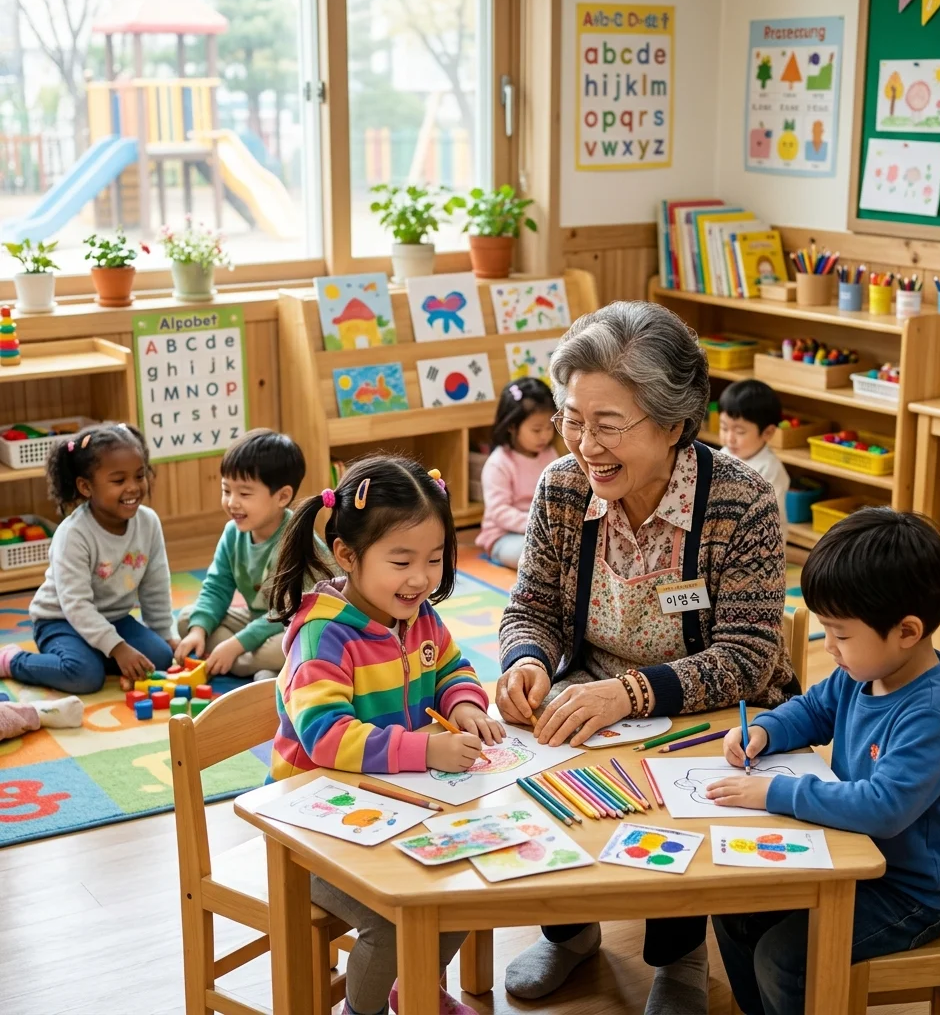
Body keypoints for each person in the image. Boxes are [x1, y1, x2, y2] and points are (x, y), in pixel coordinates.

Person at [495, 300, 798, 1014]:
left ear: (673, 424)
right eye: (573, 419)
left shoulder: (741, 501)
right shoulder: (562, 488)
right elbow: (530, 606)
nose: (585, 445)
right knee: (538, 758)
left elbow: (749, 656)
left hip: (711, 705)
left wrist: (629, 694)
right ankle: (570, 931)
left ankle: (679, 953)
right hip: (592, 686)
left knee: (679, 788)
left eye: (608, 425)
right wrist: (527, 659)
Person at [709, 508, 940, 1015]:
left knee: (784, 960)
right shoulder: (864, 673)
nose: (828, 647)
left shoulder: (932, 713)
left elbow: (881, 807)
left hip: (908, 894)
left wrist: (774, 792)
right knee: (733, 907)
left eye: (841, 634)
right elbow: (813, 710)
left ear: (907, 631)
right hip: (849, 861)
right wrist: (765, 730)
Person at [267, 455, 505, 1015]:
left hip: (397, 806)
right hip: (313, 830)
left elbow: (452, 667)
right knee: (391, 923)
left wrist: (464, 704)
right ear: (348, 555)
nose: (420, 578)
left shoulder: (418, 616)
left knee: (463, 885)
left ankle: (415, 990)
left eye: (434, 559)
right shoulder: (324, 636)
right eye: (401, 561)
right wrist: (426, 748)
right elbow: (327, 738)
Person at [0, 423, 175, 694]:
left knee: (161, 657)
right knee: (84, 677)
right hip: (60, 621)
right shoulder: (73, 535)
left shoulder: (148, 523)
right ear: (85, 487)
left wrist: (166, 636)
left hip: (114, 620)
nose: (133, 487)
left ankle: (98, 653)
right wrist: (118, 648)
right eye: (119, 481)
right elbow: (76, 606)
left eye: (139, 476)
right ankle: (12, 661)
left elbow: (156, 588)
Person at [175, 429, 305, 680]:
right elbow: (217, 587)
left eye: (244, 494)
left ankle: (243, 663)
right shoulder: (233, 533)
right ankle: (266, 670)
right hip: (256, 622)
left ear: (282, 497)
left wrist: (235, 645)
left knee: (296, 645)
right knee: (188, 619)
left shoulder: (296, 540)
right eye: (226, 491)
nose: (232, 502)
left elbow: (288, 613)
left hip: (294, 624)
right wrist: (198, 631)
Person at [475, 377, 558, 569]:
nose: (545, 435)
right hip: (504, 536)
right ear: (512, 426)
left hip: (544, 531)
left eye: (549, 427)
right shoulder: (499, 463)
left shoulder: (550, 454)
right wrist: (535, 523)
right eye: (536, 430)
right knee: (535, 556)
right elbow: (499, 512)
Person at [718, 379, 790, 542]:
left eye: (740, 432)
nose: (730, 438)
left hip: (761, 541)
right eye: (724, 428)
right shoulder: (724, 454)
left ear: (768, 432)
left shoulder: (770, 469)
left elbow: (767, 518)